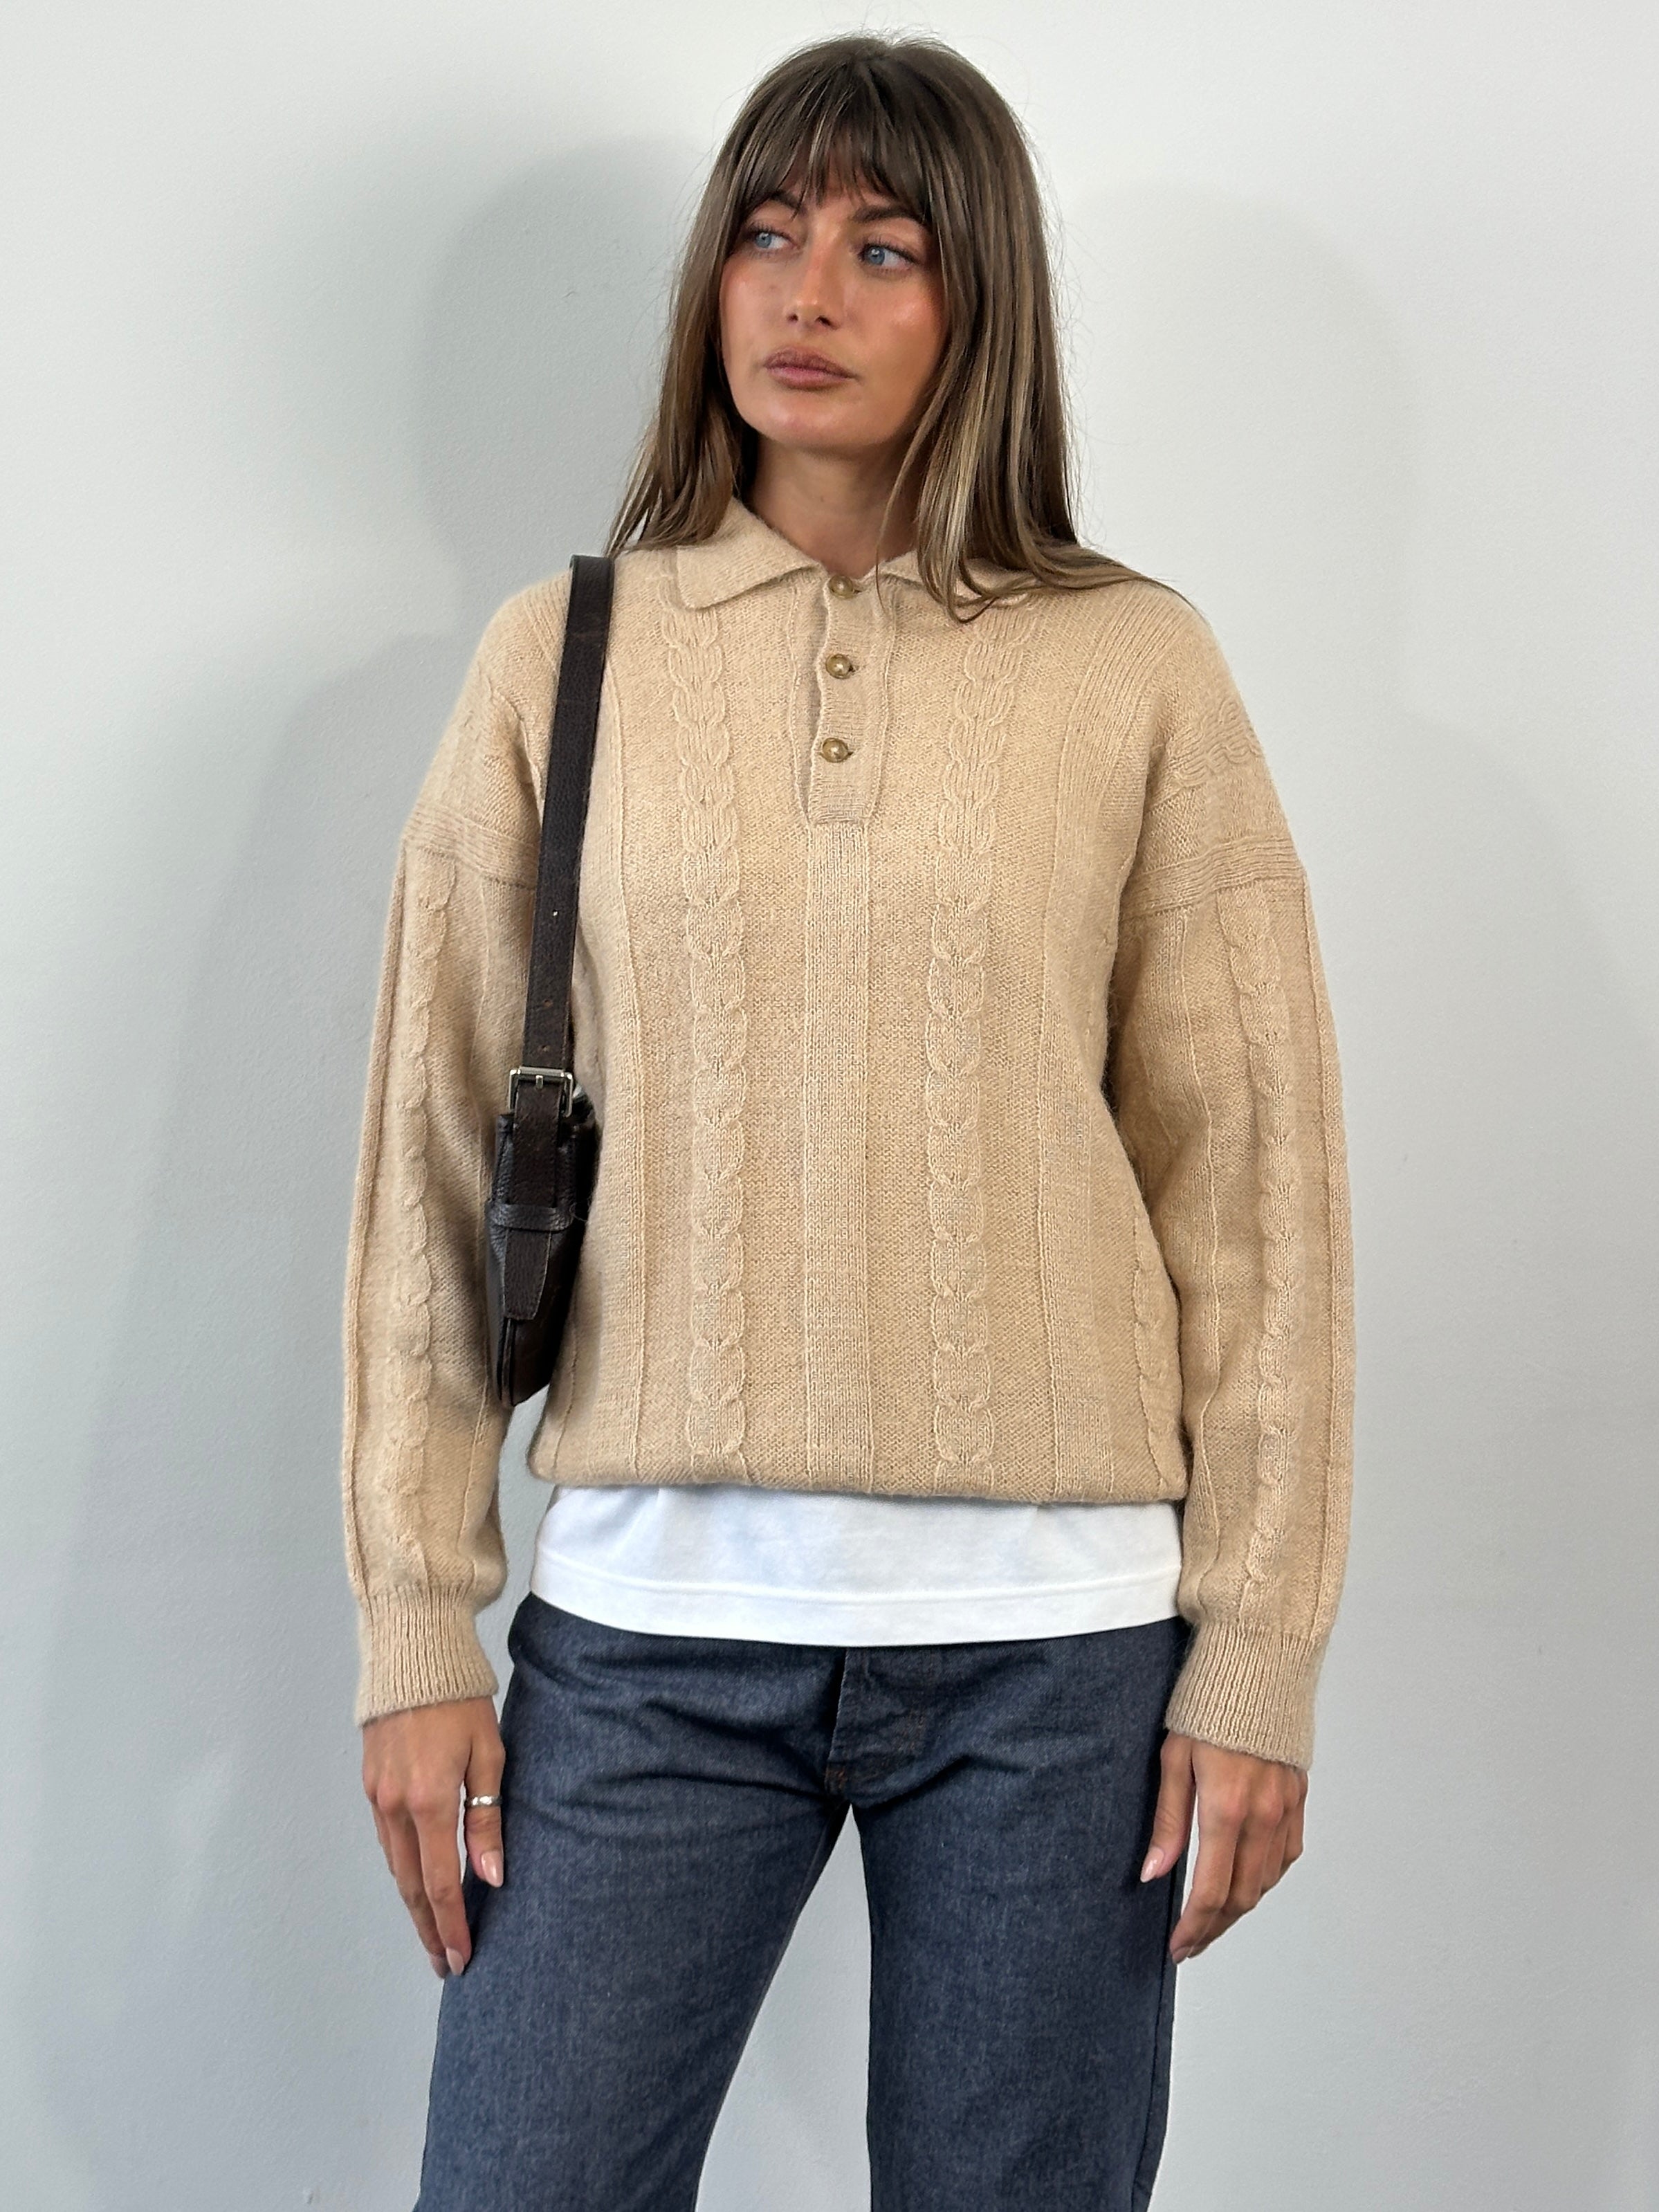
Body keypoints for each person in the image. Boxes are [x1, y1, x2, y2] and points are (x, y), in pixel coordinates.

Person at [340, 31, 1354, 2212]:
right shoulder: (560, 655)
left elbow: (1253, 1198)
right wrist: (418, 1622)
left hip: (1060, 1663)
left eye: (886, 248)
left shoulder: (1135, 668)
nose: (810, 292)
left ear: (983, 302)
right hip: (645, 1646)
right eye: (768, 234)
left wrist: (1259, 1653)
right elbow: (430, 1167)